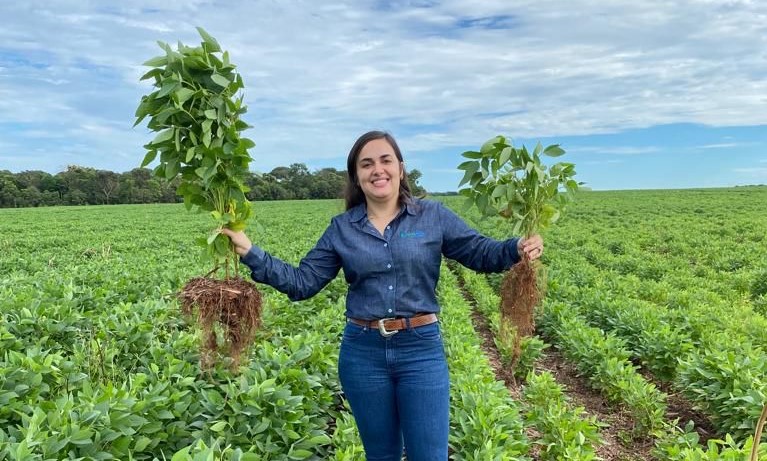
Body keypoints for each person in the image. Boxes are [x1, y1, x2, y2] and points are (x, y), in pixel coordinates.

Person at [222, 130, 543, 461]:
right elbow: (303, 282)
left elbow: (479, 252)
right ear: (357, 177)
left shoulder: (432, 216)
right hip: (363, 354)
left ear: (400, 169)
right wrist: (250, 251)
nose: (378, 169)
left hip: (421, 350)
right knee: (381, 455)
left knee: (430, 456)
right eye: (367, 164)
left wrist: (515, 248)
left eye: (386, 160)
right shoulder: (341, 228)